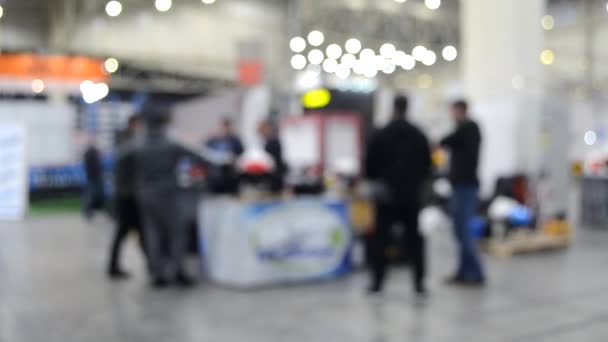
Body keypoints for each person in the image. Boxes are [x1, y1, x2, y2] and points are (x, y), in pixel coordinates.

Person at [134, 104, 208, 288]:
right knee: (176, 233)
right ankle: (178, 270)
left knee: (153, 234)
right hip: (168, 193)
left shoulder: (137, 145)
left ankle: (157, 273)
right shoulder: (171, 144)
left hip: (146, 193)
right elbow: (201, 157)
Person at [365, 95, 432, 295]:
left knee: (381, 240)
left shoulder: (381, 133)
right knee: (414, 241)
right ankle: (419, 284)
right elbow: (427, 167)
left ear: (392, 107)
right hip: (411, 196)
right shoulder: (418, 134)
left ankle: (377, 283)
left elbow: (369, 165)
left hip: (386, 197)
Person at [440, 99, 485, 286]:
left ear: (460, 111)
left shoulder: (469, 128)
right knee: (459, 231)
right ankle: (463, 271)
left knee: (464, 231)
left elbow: (447, 140)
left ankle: (475, 272)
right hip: (460, 186)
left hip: (466, 187)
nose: (452, 115)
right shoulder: (464, 129)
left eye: (453, 111)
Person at [107, 115, 146, 280]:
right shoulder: (127, 143)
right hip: (127, 195)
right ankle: (153, 266)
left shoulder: (131, 142)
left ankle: (154, 265)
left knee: (134, 232)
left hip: (130, 194)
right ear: (134, 124)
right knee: (127, 232)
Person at [205, 118, 244, 194]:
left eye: (228, 126)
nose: (226, 129)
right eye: (224, 126)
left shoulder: (235, 140)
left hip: (230, 173)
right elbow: (205, 152)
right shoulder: (213, 139)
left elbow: (241, 153)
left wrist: (234, 157)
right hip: (215, 173)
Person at [258, 119, 287, 192]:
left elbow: (275, 160)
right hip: (268, 174)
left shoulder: (273, 141)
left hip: (275, 174)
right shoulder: (264, 141)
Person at [83, 141, 106, 220]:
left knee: (91, 196)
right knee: (92, 196)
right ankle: (90, 212)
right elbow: (97, 167)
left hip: (91, 177)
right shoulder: (92, 154)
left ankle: (90, 212)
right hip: (94, 178)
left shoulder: (87, 154)